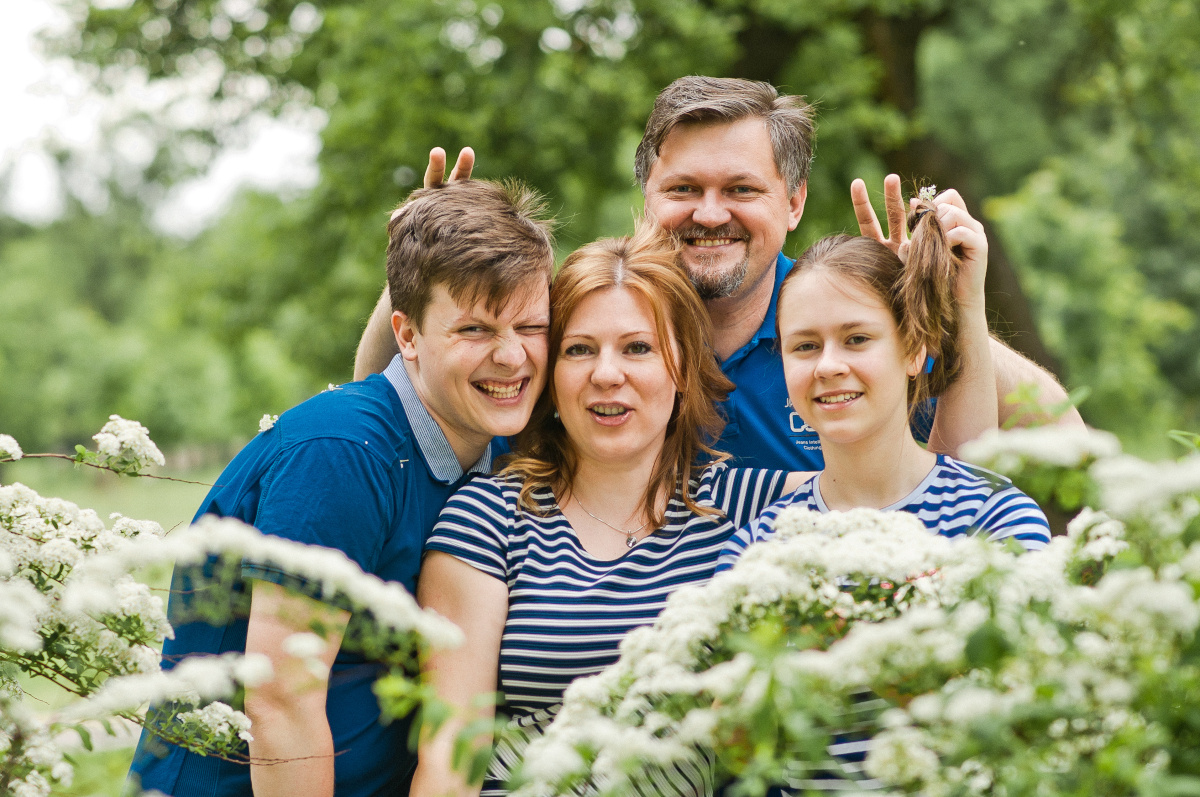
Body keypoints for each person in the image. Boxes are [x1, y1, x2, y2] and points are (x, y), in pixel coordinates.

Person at [353, 77, 1084, 471]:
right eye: (683, 190)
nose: (710, 213)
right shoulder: (585, 319)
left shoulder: (837, 327)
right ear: (646, 196)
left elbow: (1014, 449)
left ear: (793, 201)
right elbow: (397, 395)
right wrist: (413, 272)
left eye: (740, 190)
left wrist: (935, 309)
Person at [128, 179, 555, 797]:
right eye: (475, 331)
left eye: (531, 326)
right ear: (407, 337)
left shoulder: (496, 446)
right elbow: (280, 700)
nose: (513, 357)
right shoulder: (340, 453)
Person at [411, 223, 809, 797]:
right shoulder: (488, 516)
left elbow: (915, 479)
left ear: (682, 366)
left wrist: (915, 315)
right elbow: (450, 760)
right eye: (579, 349)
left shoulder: (751, 509)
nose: (606, 374)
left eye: (637, 348)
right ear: (551, 373)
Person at [719, 195, 1051, 573]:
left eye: (857, 339)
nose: (828, 366)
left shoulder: (996, 519)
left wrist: (963, 301)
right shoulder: (755, 552)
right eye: (805, 346)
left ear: (913, 350)